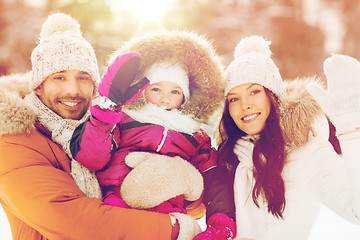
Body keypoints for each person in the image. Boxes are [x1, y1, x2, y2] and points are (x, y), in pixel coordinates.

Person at [0, 13, 199, 240]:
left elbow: (194, 206)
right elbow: (74, 221)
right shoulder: (14, 141)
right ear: (38, 86)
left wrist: (177, 175)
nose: (72, 90)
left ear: (95, 86)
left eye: (83, 77)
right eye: (59, 78)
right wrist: (172, 228)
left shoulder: (106, 128)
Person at [199, 35, 360, 240]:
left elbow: (357, 212)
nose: (244, 105)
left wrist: (352, 131)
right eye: (233, 99)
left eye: (254, 91)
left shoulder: (308, 152)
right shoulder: (227, 159)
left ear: (272, 96)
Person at [69, 30, 226, 221]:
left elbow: (212, 179)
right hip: (118, 198)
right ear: (143, 90)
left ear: (185, 98)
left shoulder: (194, 134)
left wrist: (219, 218)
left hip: (168, 208)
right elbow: (92, 158)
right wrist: (106, 114)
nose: (165, 98)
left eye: (175, 91)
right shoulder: (125, 118)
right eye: (157, 89)